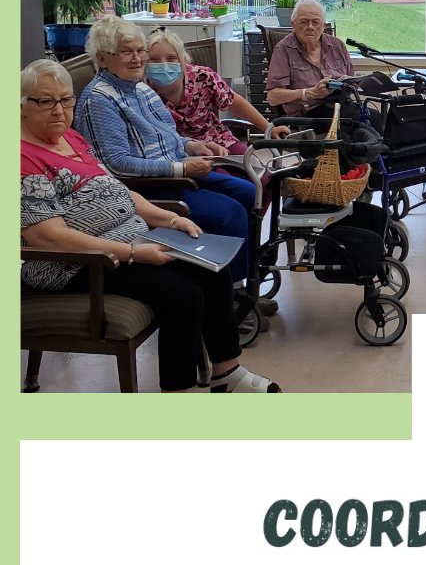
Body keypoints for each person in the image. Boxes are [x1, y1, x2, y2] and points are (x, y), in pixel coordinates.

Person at [20, 60, 280, 393]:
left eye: (66, 100)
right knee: (181, 294)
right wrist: (133, 252)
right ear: (22, 105)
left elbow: (121, 191)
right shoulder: (21, 156)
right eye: (45, 101)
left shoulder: (70, 138)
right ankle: (177, 391)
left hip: (129, 239)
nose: (59, 110)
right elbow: (47, 237)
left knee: (212, 271)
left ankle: (227, 373)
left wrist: (168, 218)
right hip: (76, 263)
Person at [73, 15, 257, 290]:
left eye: (139, 51)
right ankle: (228, 294)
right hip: (150, 187)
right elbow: (117, 164)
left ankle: (242, 285)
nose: (137, 59)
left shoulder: (140, 89)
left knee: (250, 191)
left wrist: (191, 146)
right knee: (229, 213)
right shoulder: (101, 100)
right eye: (126, 52)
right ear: (102, 58)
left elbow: (167, 135)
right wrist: (183, 168)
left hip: (176, 173)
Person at [145, 27, 290, 155]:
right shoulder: (142, 90)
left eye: (171, 58)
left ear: (183, 60)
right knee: (233, 182)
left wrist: (268, 128)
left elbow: (234, 102)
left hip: (218, 137)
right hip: (181, 150)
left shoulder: (202, 77)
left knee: (259, 175)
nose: (163, 65)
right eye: (154, 60)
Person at [266, 0, 355, 118]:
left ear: (323, 26)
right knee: (358, 122)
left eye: (315, 22)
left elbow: (352, 82)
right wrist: (309, 93)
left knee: (375, 115)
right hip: (308, 114)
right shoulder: (283, 49)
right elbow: (273, 97)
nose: (310, 27)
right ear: (293, 24)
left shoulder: (337, 46)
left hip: (341, 107)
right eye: (304, 22)